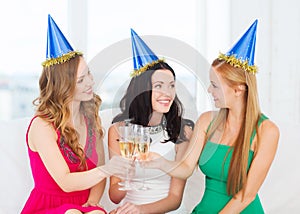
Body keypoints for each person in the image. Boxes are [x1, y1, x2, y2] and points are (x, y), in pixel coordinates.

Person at [145, 20, 280, 213]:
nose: (209, 90)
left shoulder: (267, 131)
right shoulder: (207, 121)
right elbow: (186, 168)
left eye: (215, 85)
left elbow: (246, 195)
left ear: (238, 89)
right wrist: (160, 162)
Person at [21, 15, 131, 214]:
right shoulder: (42, 126)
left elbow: (99, 174)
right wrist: (107, 170)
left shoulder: (90, 119)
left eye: (88, 74)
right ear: (62, 86)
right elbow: (66, 182)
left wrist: (93, 203)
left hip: (83, 206)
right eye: (81, 80)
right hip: (49, 208)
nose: (90, 82)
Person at [108, 29, 194, 214]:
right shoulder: (118, 130)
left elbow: (174, 200)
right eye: (158, 86)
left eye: (171, 86)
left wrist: (140, 210)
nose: (168, 93)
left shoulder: (183, 131)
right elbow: (114, 196)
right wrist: (126, 174)